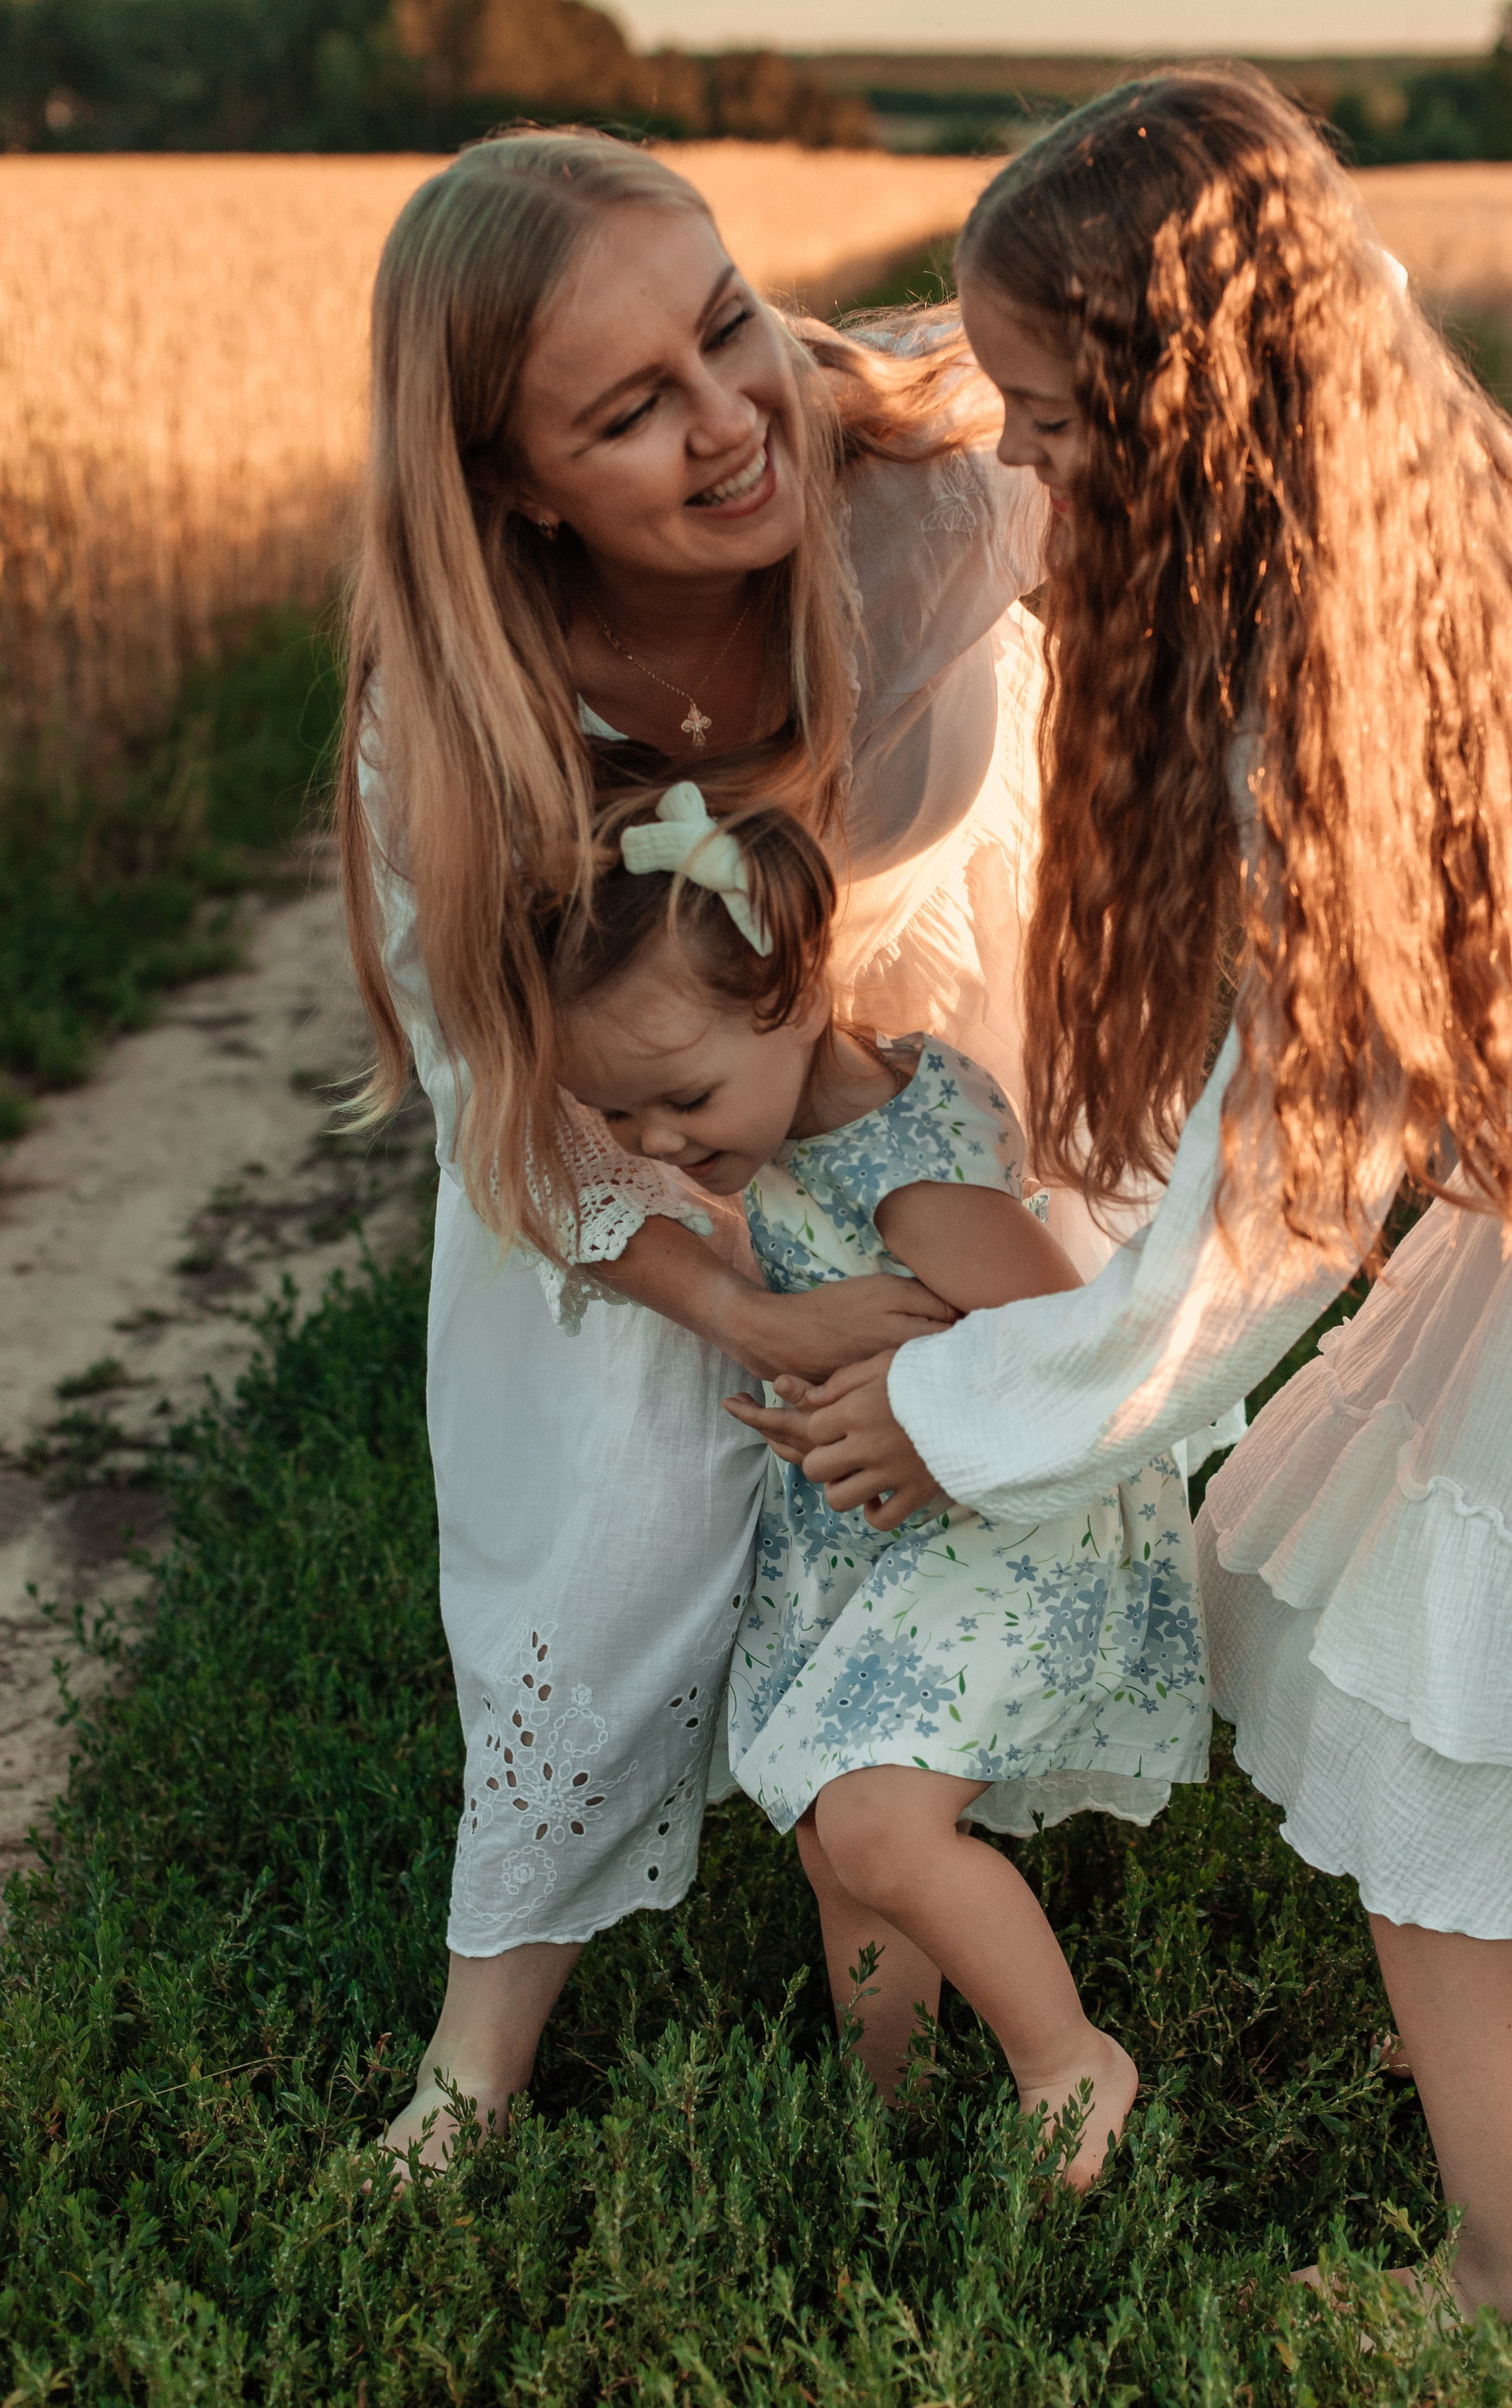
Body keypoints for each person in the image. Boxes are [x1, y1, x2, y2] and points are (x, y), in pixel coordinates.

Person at [769, 69, 1512, 2319]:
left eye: (1052, 425)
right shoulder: (1396, 544)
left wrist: (975, 1409)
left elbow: (1266, 1214)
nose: (1021, 470)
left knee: (1418, 1696)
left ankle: (1508, 2273)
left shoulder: (1344, 707)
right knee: (1402, 1624)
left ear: (1194, 420)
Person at [337, 128, 1221, 2169]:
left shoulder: (932, 482)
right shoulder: (457, 706)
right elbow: (494, 1090)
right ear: (512, 485)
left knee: (947, 1474)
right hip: (629, 1152)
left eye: (727, 327)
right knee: (615, 1525)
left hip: (926, 1070)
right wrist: (748, 1306)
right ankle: (478, 2058)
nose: (731, 418)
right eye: (629, 413)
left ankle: (942, 1833)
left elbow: (1260, 407)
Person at [549, 777, 1204, 2180]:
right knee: (830, 1832)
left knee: (876, 1820)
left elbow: (1068, 1357)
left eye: (683, 1098)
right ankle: (884, 2108)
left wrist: (914, 1404)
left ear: (792, 1000)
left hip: (1000, 1523)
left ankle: (1068, 2063)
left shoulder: (910, 1172)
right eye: (617, 1112)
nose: (656, 1145)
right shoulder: (796, 1125)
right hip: (881, 1529)